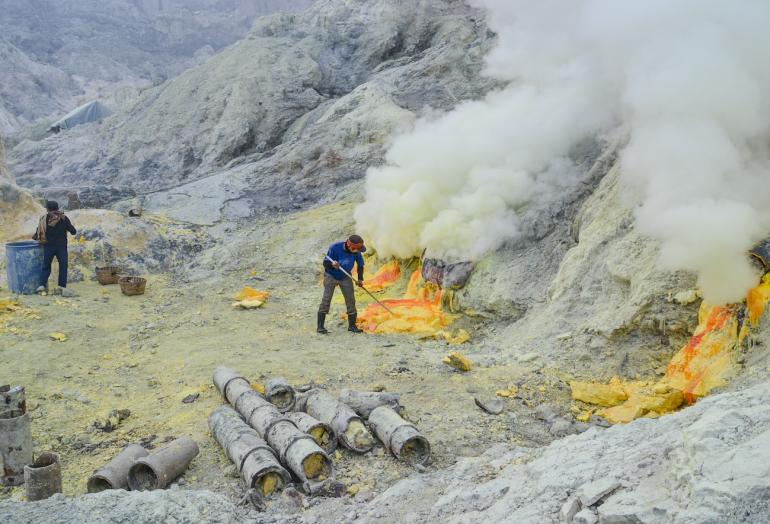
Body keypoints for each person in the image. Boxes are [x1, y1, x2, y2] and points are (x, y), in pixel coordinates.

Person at [318, 234, 366, 334]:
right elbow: (325, 263)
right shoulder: (335, 248)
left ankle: (352, 326)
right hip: (331, 275)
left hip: (345, 276)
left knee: (351, 300)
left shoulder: (356, 251)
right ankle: (320, 327)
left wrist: (360, 279)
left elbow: (360, 265)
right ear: (349, 246)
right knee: (326, 299)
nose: (357, 251)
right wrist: (332, 264)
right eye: (356, 249)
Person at [33, 200, 77, 294]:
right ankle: (61, 287)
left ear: (47, 209)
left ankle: (42, 285)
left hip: (48, 246)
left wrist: (36, 237)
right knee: (63, 266)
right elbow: (73, 231)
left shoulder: (43, 219)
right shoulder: (63, 218)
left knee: (46, 266)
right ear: (57, 208)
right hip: (61, 247)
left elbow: (37, 233)